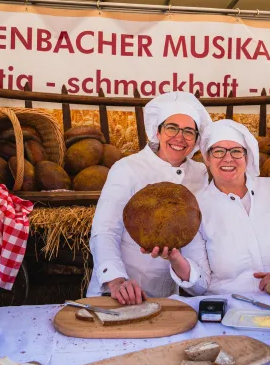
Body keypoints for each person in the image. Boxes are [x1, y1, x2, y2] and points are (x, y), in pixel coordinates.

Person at [147, 119, 270, 295]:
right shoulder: (196, 207)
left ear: (246, 156)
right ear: (207, 158)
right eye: (218, 151)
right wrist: (175, 258)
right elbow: (200, 285)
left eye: (236, 151)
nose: (228, 158)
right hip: (228, 310)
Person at [87, 91, 212, 303]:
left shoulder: (201, 174)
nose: (179, 137)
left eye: (189, 132)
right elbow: (105, 230)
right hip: (118, 292)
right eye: (172, 128)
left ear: (196, 140)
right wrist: (116, 280)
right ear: (158, 131)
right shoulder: (127, 168)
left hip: (167, 298)